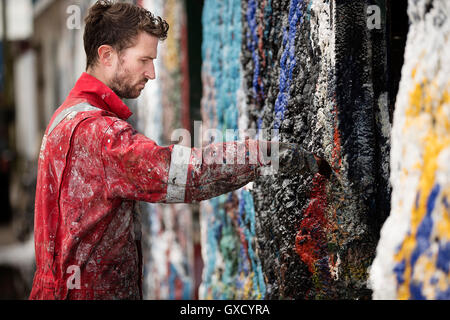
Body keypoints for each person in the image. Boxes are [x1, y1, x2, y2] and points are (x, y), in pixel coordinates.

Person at [29, 1, 319, 300]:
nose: (152, 73)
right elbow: (186, 173)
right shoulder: (99, 134)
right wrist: (266, 155)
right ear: (107, 55)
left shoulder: (67, 116)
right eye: (143, 60)